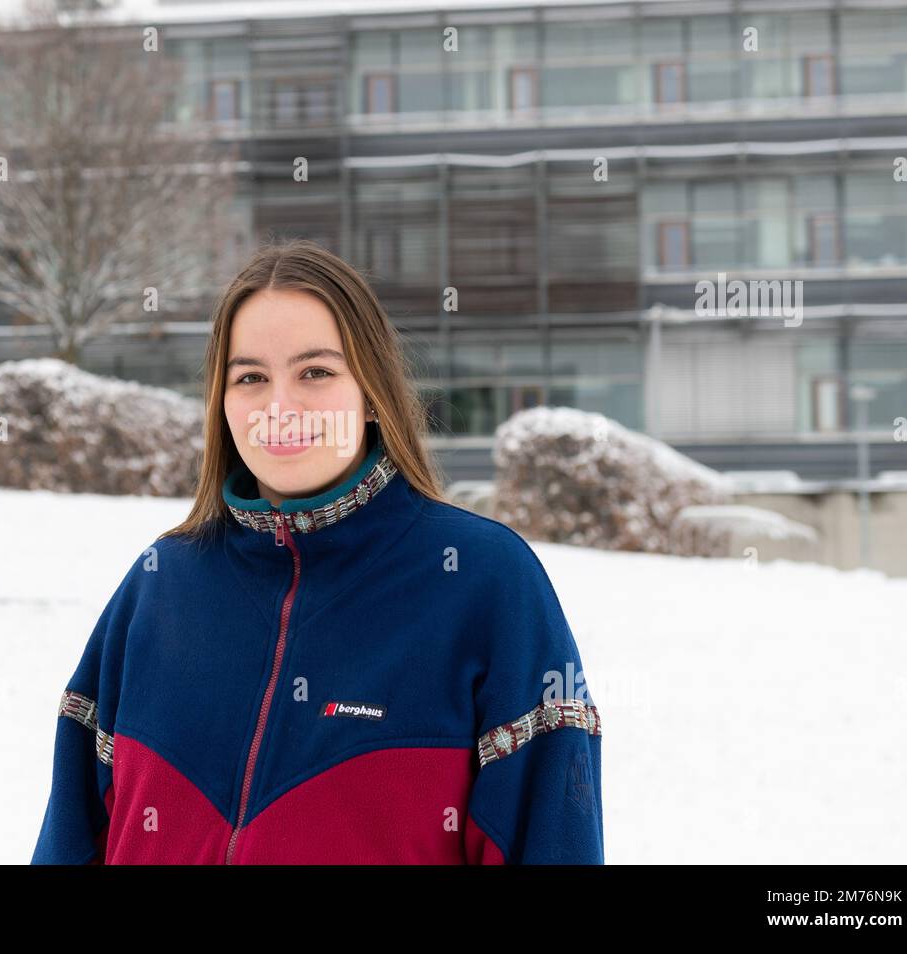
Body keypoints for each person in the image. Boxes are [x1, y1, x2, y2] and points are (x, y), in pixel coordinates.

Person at [30, 239, 603, 864]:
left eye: (316, 372)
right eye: (250, 377)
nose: (280, 408)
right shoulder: (159, 586)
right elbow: (71, 838)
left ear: (374, 391)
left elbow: (551, 839)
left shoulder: (485, 583)